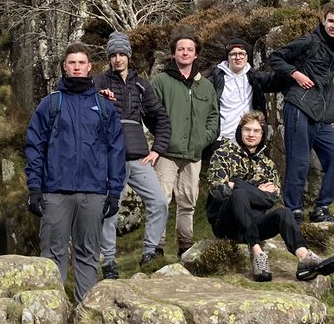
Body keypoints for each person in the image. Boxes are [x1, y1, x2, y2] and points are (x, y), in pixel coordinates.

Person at [25, 43, 126, 302]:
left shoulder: (103, 107)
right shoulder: (50, 104)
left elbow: (116, 150)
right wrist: (35, 189)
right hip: (55, 191)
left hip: (93, 192)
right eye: (72, 63)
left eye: (82, 62)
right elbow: (34, 146)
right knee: (51, 255)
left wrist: (114, 192)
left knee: (88, 254)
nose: (77, 67)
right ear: (64, 67)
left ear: (90, 67)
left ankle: (85, 315)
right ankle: (53, 312)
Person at [205, 111, 334, 282]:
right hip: (227, 225)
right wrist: (254, 190)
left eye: (256, 131)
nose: (251, 134)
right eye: (247, 130)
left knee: (283, 213)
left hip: (255, 223)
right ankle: (257, 254)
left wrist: (236, 183)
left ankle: (304, 258)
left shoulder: (267, 164)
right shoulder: (223, 154)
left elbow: (272, 197)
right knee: (238, 195)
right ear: (240, 131)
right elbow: (217, 190)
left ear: (263, 133)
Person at [267, 1, 334, 223]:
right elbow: (275, 57)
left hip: (322, 113)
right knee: (299, 161)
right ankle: (293, 211)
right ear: (323, 20)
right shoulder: (308, 41)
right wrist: (295, 74)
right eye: (331, 21)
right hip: (299, 106)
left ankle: (321, 209)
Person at [93, 31, 172, 278]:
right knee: (110, 209)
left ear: (129, 55)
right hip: (108, 159)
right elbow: (83, 111)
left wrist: (157, 150)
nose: (118, 59)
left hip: (139, 157)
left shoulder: (141, 84)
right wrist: (97, 98)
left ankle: (150, 252)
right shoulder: (99, 82)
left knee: (159, 201)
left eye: (122, 54)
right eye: (113, 55)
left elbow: (161, 118)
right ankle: (108, 263)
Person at [150, 29, 219, 261]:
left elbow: (213, 117)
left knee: (187, 202)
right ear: (173, 53)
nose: (185, 52)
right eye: (181, 49)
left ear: (196, 54)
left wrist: (203, 138)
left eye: (190, 49)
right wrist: (163, 138)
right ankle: (155, 248)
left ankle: (185, 247)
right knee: (161, 200)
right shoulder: (161, 81)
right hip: (166, 153)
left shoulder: (206, 86)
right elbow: (151, 113)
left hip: (194, 154)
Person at [207, 37, 283, 145]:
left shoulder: (253, 77)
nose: (238, 57)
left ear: (247, 57)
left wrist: (294, 73)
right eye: (233, 54)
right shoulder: (215, 78)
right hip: (222, 139)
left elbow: (276, 82)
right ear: (227, 57)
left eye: (242, 54)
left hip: (248, 139)